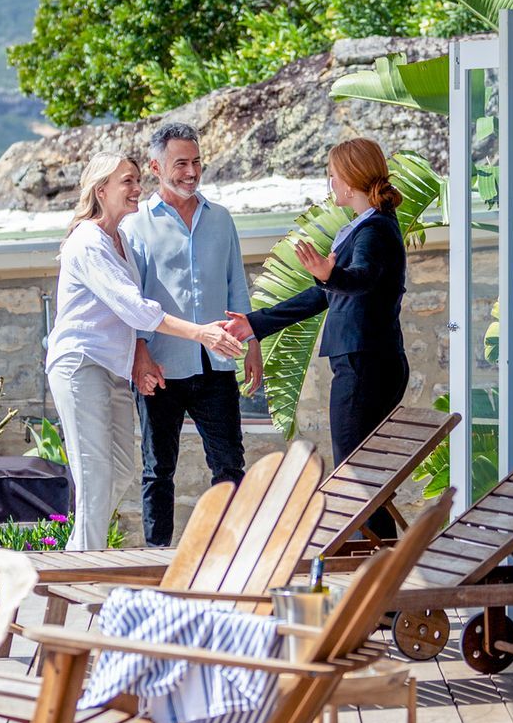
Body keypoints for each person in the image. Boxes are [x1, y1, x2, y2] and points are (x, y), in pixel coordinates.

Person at [46, 154, 244, 551]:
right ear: (101, 190)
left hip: (111, 368)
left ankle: (76, 557)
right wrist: (201, 333)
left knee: (118, 471)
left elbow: (132, 315)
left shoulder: (119, 240)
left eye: (138, 180)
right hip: (80, 366)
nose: (137, 189)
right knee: (95, 474)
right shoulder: (87, 242)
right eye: (127, 182)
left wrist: (141, 356)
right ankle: (83, 571)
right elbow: (136, 308)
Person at [224, 138, 408, 533]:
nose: (330, 180)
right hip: (363, 362)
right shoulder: (364, 227)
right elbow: (323, 294)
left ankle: (373, 561)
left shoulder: (374, 230)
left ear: (352, 177)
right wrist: (255, 324)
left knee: (356, 471)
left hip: (367, 363)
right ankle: (373, 557)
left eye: (334, 172)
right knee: (359, 469)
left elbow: (359, 280)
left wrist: (332, 275)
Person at [123, 122, 262, 546]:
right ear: (156, 166)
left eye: (196, 162)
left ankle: (230, 555)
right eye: (180, 163)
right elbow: (132, 301)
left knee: (229, 467)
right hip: (161, 365)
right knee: (157, 469)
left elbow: (236, 283)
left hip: (217, 365)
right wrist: (140, 355)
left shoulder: (220, 219)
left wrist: (253, 343)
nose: (191, 172)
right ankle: (157, 560)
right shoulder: (135, 227)